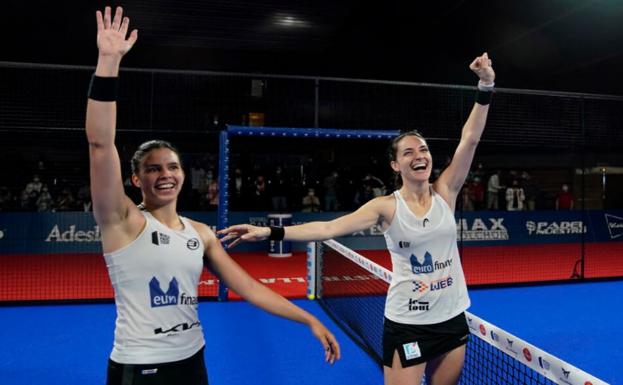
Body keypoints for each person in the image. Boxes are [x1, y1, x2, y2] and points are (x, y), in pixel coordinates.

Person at [86, 7, 339, 385]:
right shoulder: (123, 221)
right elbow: (100, 145)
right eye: (153, 169)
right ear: (136, 180)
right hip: (138, 368)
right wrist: (108, 63)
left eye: (172, 166)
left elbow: (250, 288)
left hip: (192, 362)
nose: (165, 175)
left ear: (184, 174)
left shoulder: (201, 234)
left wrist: (308, 318)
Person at [220, 53, 496, 385]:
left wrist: (486, 85)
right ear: (395, 165)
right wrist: (268, 231)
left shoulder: (446, 191)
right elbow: (328, 228)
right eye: (408, 152)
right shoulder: (385, 207)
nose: (419, 155)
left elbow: (470, 139)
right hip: (408, 323)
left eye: (422, 149)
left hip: (452, 317)